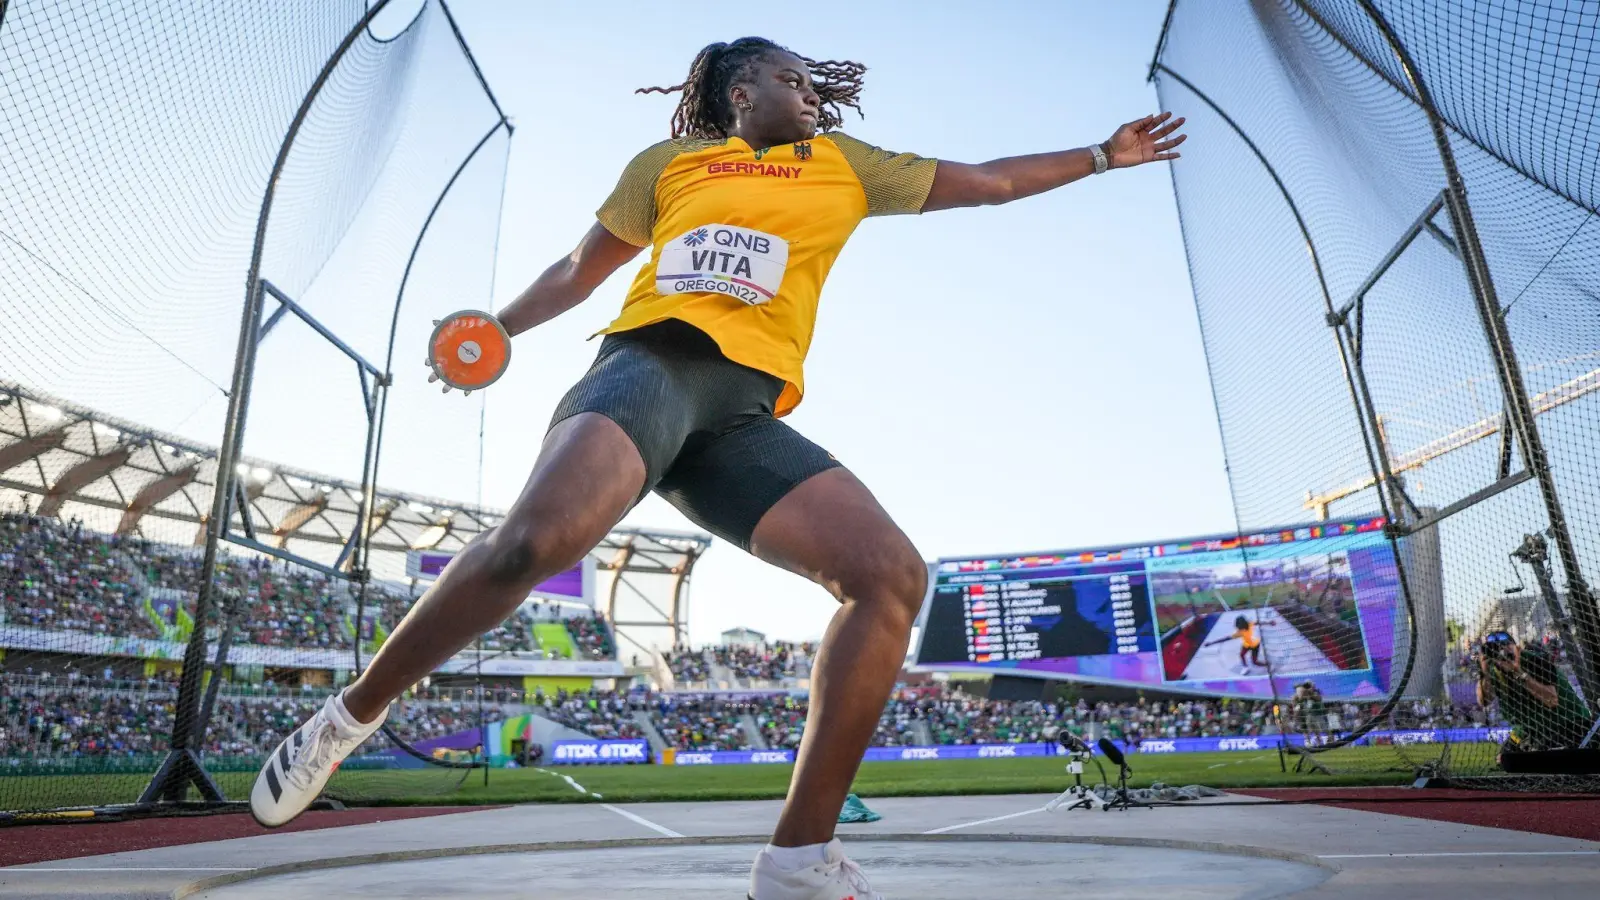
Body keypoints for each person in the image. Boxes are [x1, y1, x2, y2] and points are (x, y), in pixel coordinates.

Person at [249, 36, 1185, 899]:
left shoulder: (848, 167)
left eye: (817, 86)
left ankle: (796, 860)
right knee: (531, 545)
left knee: (890, 578)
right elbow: (582, 269)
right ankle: (345, 719)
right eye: (792, 81)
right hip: (649, 370)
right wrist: (501, 326)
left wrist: (1104, 156)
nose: (811, 95)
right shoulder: (669, 166)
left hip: (743, 415)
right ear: (742, 92)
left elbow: (988, 180)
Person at [1477, 631, 1593, 760]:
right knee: (1503, 759)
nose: (1501, 651)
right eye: (1495, 648)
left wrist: (1518, 672)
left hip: (1567, 724)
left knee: (1540, 760)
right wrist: (1484, 673)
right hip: (1531, 729)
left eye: (1505, 645)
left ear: (1518, 648)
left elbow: (1552, 700)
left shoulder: (1536, 660)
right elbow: (1484, 701)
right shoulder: (1494, 670)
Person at [1205, 613, 1275, 676]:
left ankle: (1268, 665)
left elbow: (1258, 622)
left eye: (1238, 626)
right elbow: (1225, 638)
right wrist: (1211, 643)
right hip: (1247, 644)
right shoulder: (1244, 628)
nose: (1237, 628)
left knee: (1255, 662)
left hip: (1255, 645)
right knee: (1242, 655)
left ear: (1242, 625)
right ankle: (1245, 667)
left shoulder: (1247, 626)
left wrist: (1269, 623)